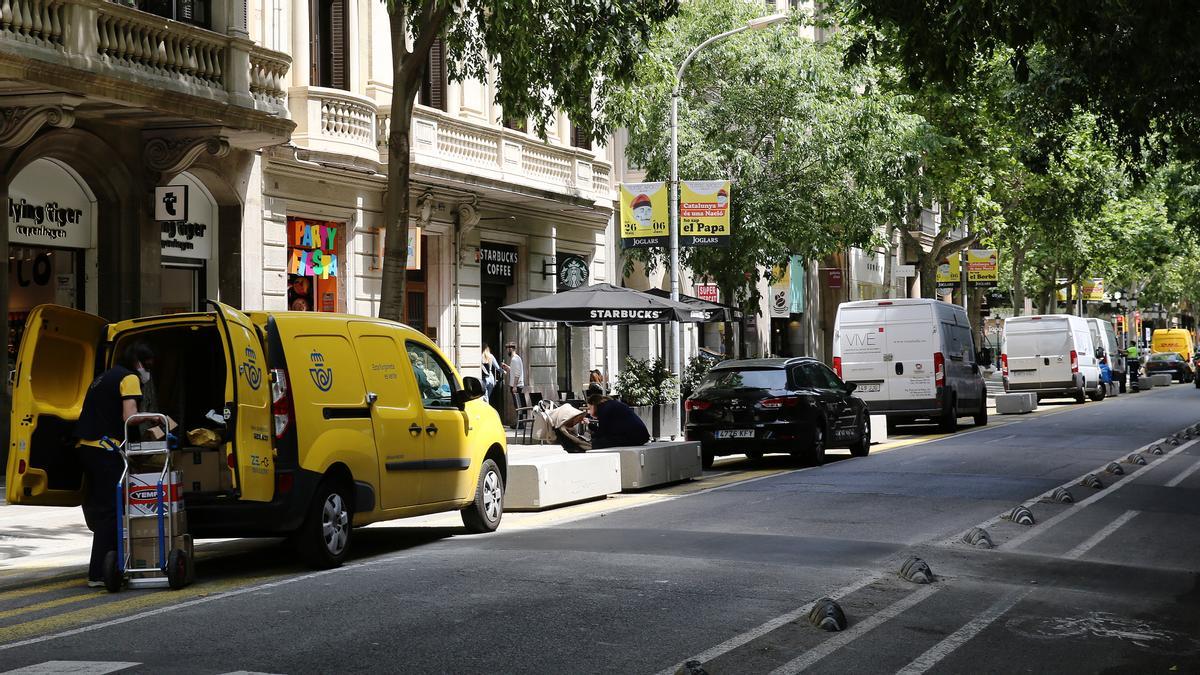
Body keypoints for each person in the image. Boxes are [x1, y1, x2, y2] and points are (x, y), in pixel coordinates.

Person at [74, 342, 152, 587]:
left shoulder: (103, 377)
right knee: (112, 511)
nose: (148, 372)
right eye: (147, 366)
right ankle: (100, 573)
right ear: (139, 362)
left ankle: (103, 567)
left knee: (105, 510)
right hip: (104, 449)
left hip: (87, 448)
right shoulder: (129, 378)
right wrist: (157, 419)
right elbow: (129, 417)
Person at [504, 341, 525, 410]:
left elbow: (517, 373)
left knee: (518, 406)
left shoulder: (515, 359)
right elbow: (515, 370)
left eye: (507, 349)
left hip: (516, 386)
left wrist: (514, 386)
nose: (507, 351)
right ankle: (520, 420)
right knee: (518, 405)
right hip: (516, 385)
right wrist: (507, 367)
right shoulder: (516, 358)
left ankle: (520, 420)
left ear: (511, 349)